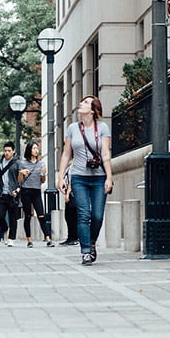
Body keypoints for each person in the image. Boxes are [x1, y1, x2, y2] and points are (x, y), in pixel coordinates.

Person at [57, 95, 113, 266]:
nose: (81, 104)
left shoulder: (102, 127)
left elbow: (105, 153)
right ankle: (86, 251)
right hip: (79, 177)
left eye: (86, 102)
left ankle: (92, 242)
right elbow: (67, 153)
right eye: (81, 101)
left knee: (96, 216)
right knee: (83, 214)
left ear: (94, 109)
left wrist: (109, 177)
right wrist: (60, 176)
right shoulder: (72, 128)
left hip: (98, 177)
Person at [18, 141, 53, 248]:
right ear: (29, 150)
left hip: (36, 191)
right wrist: (21, 173)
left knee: (41, 215)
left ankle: (48, 239)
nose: (36, 150)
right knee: (28, 215)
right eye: (34, 148)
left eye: (37, 148)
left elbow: (42, 181)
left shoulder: (41, 163)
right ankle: (29, 240)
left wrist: (43, 173)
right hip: (26, 191)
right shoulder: (22, 163)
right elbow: (19, 181)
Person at [0, 141, 21, 247]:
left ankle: (11, 238)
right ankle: (6, 229)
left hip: (13, 194)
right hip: (2, 194)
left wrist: (18, 190)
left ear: (13, 151)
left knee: (13, 217)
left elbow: (22, 180)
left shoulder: (18, 163)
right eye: (5, 150)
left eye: (9, 151)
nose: (7, 153)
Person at [59, 165, 79, 245]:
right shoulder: (69, 167)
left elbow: (72, 181)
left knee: (71, 216)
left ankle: (73, 238)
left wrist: (67, 194)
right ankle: (71, 237)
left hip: (72, 193)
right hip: (71, 192)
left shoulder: (74, 165)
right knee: (69, 216)